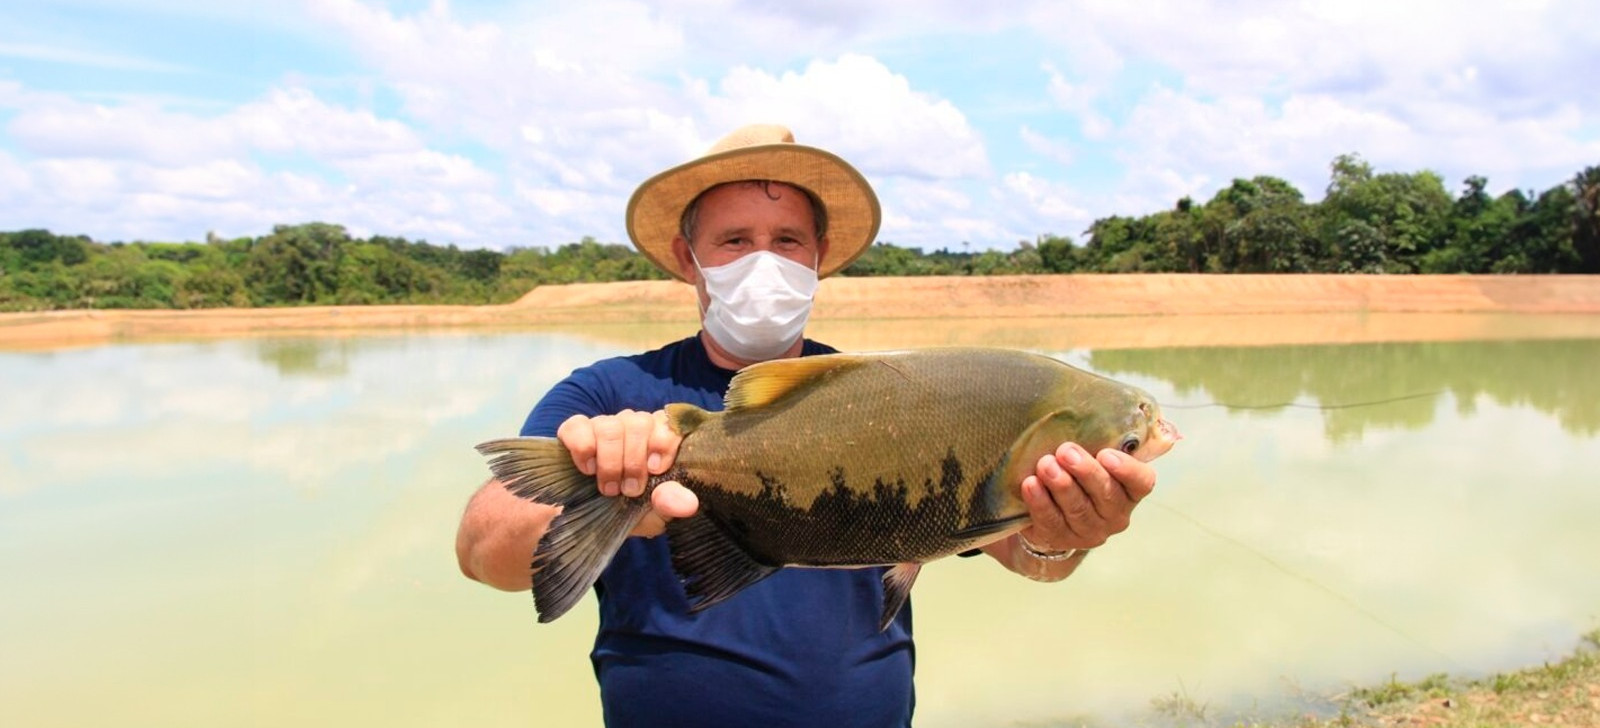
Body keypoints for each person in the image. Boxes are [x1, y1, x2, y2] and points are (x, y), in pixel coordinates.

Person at [454, 124, 1159, 727]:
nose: (763, 261)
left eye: (787, 240)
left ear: (818, 256)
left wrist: (1066, 534)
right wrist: (608, 483)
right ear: (687, 258)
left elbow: (1026, 553)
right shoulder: (611, 393)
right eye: (734, 240)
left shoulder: (895, 397)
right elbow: (482, 551)